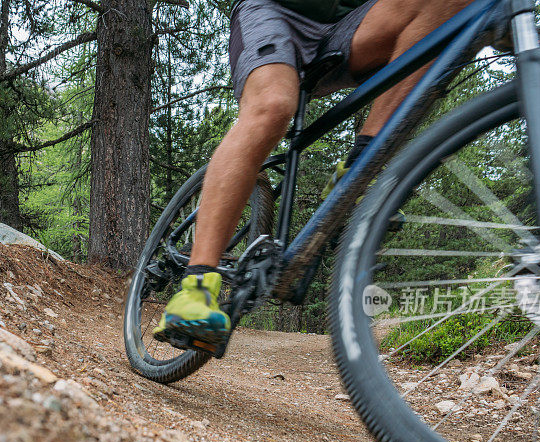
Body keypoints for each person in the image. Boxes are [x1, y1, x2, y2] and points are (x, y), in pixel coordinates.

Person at [154, 0, 474, 352]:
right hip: (274, 11)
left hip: (351, 24)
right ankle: (196, 286)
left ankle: (359, 169)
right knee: (273, 107)